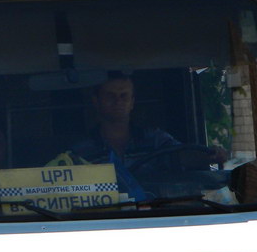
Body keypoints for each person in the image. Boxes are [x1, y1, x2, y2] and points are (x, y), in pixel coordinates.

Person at [48, 73, 225, 202]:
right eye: (110, 96)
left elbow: (183, 156)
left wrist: (208, 155)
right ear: (96, 101)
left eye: (124, 96)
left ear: (132, 102)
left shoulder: (155, 140)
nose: (118, 101)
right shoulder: (79, 152)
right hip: (102, 221)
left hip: (158, 215)